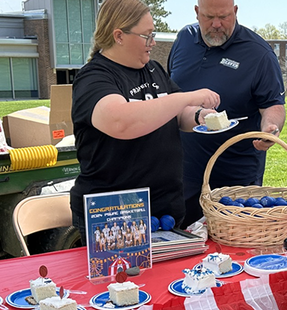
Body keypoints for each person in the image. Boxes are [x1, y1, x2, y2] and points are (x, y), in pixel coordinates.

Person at [70, 0, 220, 240]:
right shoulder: (94, 78)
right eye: (147, 36)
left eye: (154, 34)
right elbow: (121, 122)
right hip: (114, 213)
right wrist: (189, 97)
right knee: (123, 277)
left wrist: (199, 116)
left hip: (164, 208)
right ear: (119, 35)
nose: (153, 43)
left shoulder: (153, 69)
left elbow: (175, 113)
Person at [168, 0, 286, 228]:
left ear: (235, 12)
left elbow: (273, 105)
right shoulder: (183, 40)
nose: (216, 24)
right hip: (183, 173)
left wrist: (269, 129)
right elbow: (170, 93)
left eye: (224, 17)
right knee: (182, 242)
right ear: (196, 12)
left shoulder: (258, 53)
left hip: (234, 179)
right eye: (209, 17)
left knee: (230, 248)